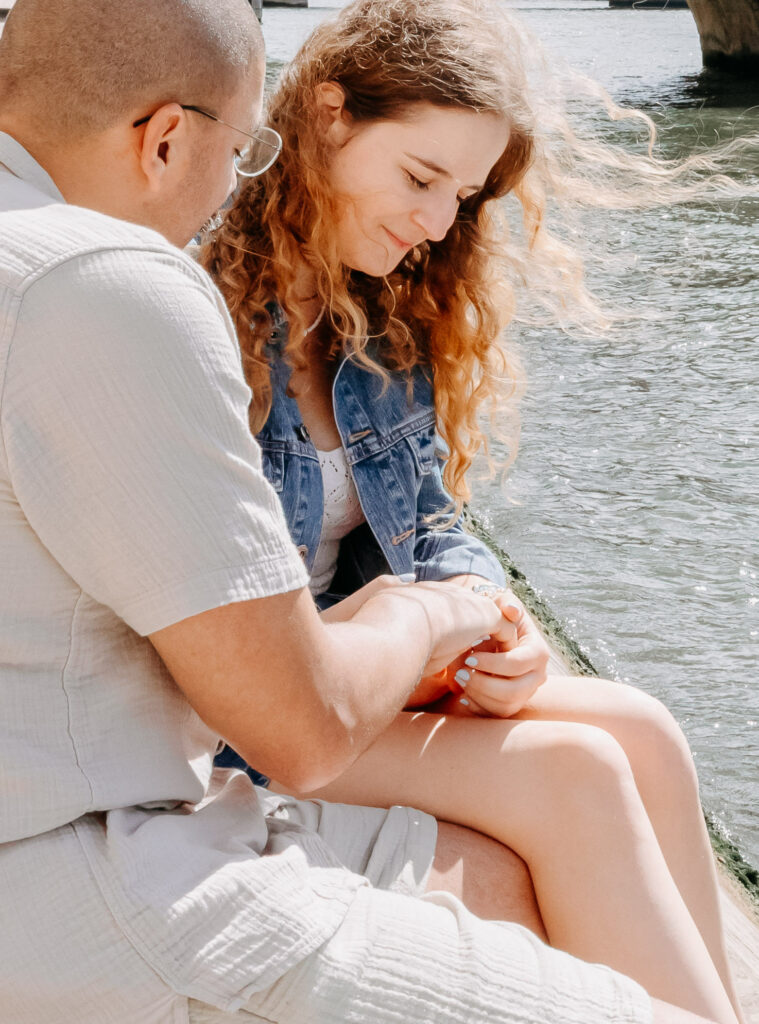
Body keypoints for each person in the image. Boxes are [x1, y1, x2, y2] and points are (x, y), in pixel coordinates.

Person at [0, 3, 738, 1024]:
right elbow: (214, 633)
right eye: (422, 180)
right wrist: (423, 621)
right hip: (252, 697)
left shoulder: (383, 318)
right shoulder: (173, 291)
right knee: (575, 770)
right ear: (330, 119)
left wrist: (490, 614)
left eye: (462, 197)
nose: (439, 224)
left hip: (359, 669)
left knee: (645, 731)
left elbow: (432, 525)